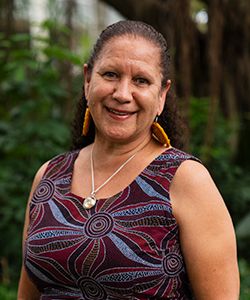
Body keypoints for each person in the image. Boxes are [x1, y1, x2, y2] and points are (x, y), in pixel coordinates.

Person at [18, 20, 239, 299]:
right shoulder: (49, 176)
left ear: (161, 96)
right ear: (87, 81)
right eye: (110, 74)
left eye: (141, 80)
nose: (122, 94)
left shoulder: (185, 180)